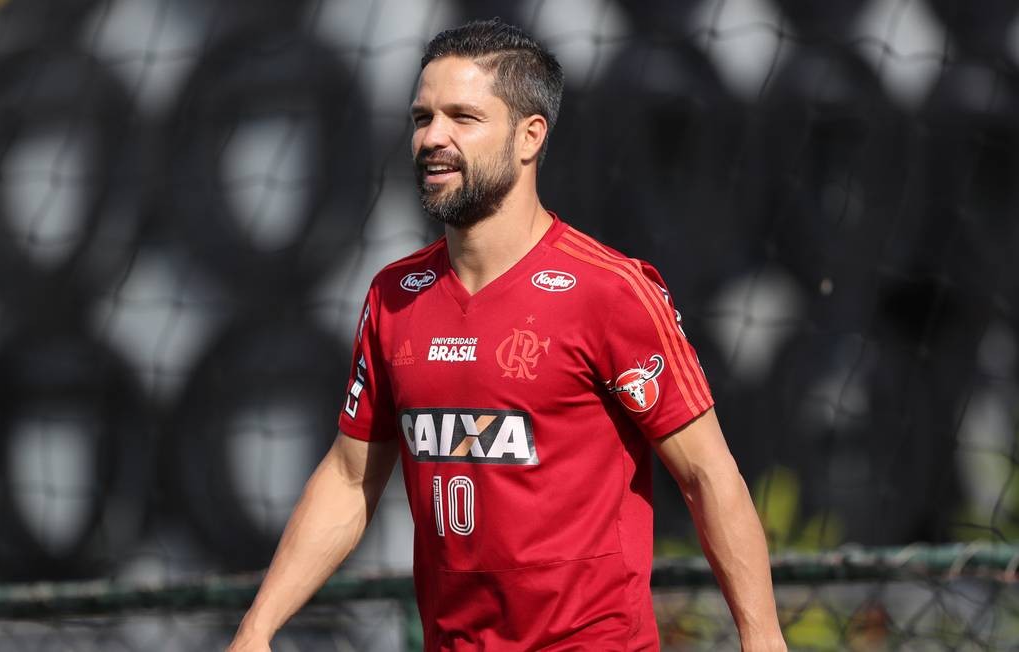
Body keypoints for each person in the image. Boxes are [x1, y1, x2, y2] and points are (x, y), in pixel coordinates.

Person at [228, 18, 786, 651]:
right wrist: (257, 629)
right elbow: (350, 478)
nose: (433, 138)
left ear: (529, 136)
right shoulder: (393, 295)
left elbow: (708, 475)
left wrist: (763, 638)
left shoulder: (610, 291)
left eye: (463, 118)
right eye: (422, 118)